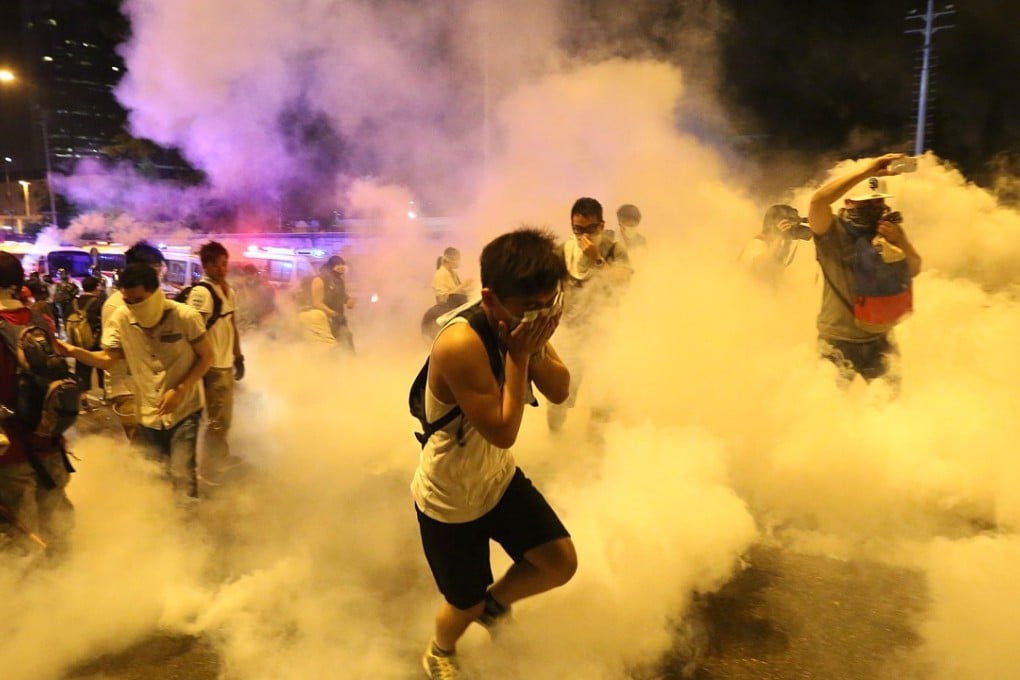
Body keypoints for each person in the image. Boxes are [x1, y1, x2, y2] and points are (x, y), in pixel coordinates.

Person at [413, 228, 577, 679]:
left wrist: (534, 342)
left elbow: (560, 391)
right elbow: (504, 430)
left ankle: (497, 605)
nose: (543, 315)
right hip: (451, 496)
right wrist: (520, 353)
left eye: (550, 303)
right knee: (462, 601)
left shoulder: (525, 320)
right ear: (490, 297)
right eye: (531, 308)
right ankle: (440, 650)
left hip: (497, 478)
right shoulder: (461, 343)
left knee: (559, 563)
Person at [61, 263, 213, 501]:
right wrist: (73, 351)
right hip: (147, 411)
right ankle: (158, 524)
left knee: (182, 473)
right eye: (127, 300)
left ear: (155, 291)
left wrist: (180, 390)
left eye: (139, 299)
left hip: (185, 410)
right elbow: (108, 358)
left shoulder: (185, 316)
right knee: (152, 476)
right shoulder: (122, 318)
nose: (133, 306)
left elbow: (207, 357)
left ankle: (188, 528)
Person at [807, 153, 922, 392]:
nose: (874, 208)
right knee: (826, 412)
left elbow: (913, 268)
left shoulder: (887, 233)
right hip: (836, 342)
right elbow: (818, 202)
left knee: (889, 410)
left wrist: (900, 240)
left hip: (880, 340)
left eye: (878, 202)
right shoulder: (832, 232)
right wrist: (868, 171)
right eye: (866, 203)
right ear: (848, 203)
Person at [0, 252, 74, 557]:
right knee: (58, 526)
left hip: (9, 450)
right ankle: (74, 587)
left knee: (22, 535)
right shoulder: (39, 319)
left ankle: (34, 600)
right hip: (49, 439)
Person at [547, 197, 631, 433]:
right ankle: (554, 441)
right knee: (560, 395)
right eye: (577, 229)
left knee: (602, 396)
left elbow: (623, 279)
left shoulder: (613, 248)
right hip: (568, 333)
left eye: (590, 229)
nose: (583, 235)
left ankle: (594, 453)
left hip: (603, 333)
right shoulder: (562, 252)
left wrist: (597, 258)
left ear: (602, 225)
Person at [186, 241, 244, 486]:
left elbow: (231, 325)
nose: (223, 269)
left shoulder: (227, 290)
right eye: (218, 265)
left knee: (224, 417)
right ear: (206, 265)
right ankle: (209, 469)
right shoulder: (202, 293)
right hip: (212, 366)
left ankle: (221, 456)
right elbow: (192, 329)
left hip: (225, 362)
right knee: (218, 419)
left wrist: (238, 356)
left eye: (225, 263)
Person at [102, 241, 166, 442]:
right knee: (143, 450)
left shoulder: (150, 298)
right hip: (128, 389)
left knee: (155, 449)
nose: (160, 274)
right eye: (157, 269)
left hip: (148, 387)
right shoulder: (118, 306)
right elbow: (113, 353)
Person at [739, 204, 812, 284]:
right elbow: (761, 265)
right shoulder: (757, 243)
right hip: (751, 293)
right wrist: (778, 237)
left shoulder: (778, 245)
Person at [421, 247, 475, 341]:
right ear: (450, 260)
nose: (459, 262)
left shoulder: (453, 273)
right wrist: (463, 285)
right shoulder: (440, 274)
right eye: (457, 259)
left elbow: (457, 291)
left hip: (453, 305)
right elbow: (443, 297)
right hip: (445, 308)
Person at [310, 255, 355, 352]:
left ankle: (351, 363)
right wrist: (333, 314)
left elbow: (342, 296)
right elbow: (317, 303)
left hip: (338, 319)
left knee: (347, 340)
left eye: (343, 264)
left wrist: (349, 300)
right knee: (330, 347)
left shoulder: (339, 281)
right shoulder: (319, 280)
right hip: (324, 320)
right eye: (338, 264)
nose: (341, 267)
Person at [72, 275, 106, 397]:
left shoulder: (74, 302)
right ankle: (105, 395)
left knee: (82, 369)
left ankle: (83, 397)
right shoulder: (99, 302)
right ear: (96, 287)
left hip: (79, 340)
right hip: (96, 340)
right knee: (102, 367)